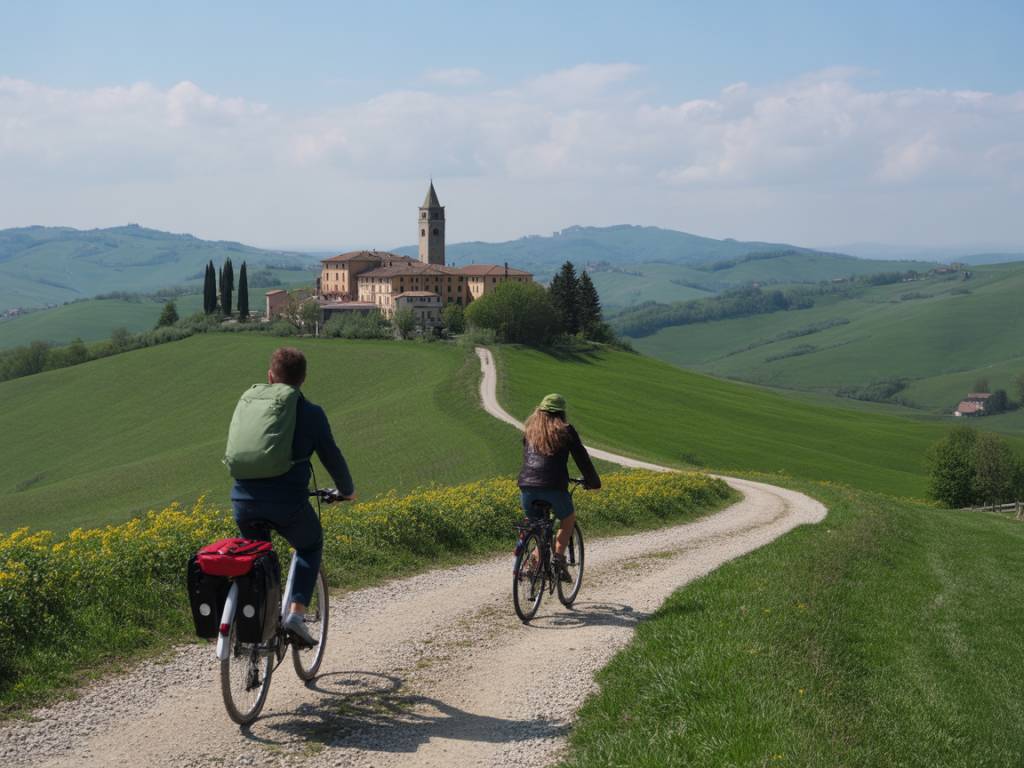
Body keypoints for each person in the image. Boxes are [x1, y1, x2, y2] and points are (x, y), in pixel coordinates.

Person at [230, 347, 355, 645]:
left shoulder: (251, 406)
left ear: (270, 376)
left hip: (242, 501)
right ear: (304, 379)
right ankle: (295, 615)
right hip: (287, 504)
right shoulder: (310, 413)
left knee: (259, 559)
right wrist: (346, 491)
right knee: (310, 544)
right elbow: (331, 457)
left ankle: (257, 617)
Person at [517, 393, 600, 579]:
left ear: (540, 410)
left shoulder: (530, 430)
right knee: (568, 519)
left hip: (526, 488)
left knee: (536, 527)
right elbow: (582, 458)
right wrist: (593, 482)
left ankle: (533, 563)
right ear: (561, 413)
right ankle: (559, 557)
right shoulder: (566, 430)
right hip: (554, 486)